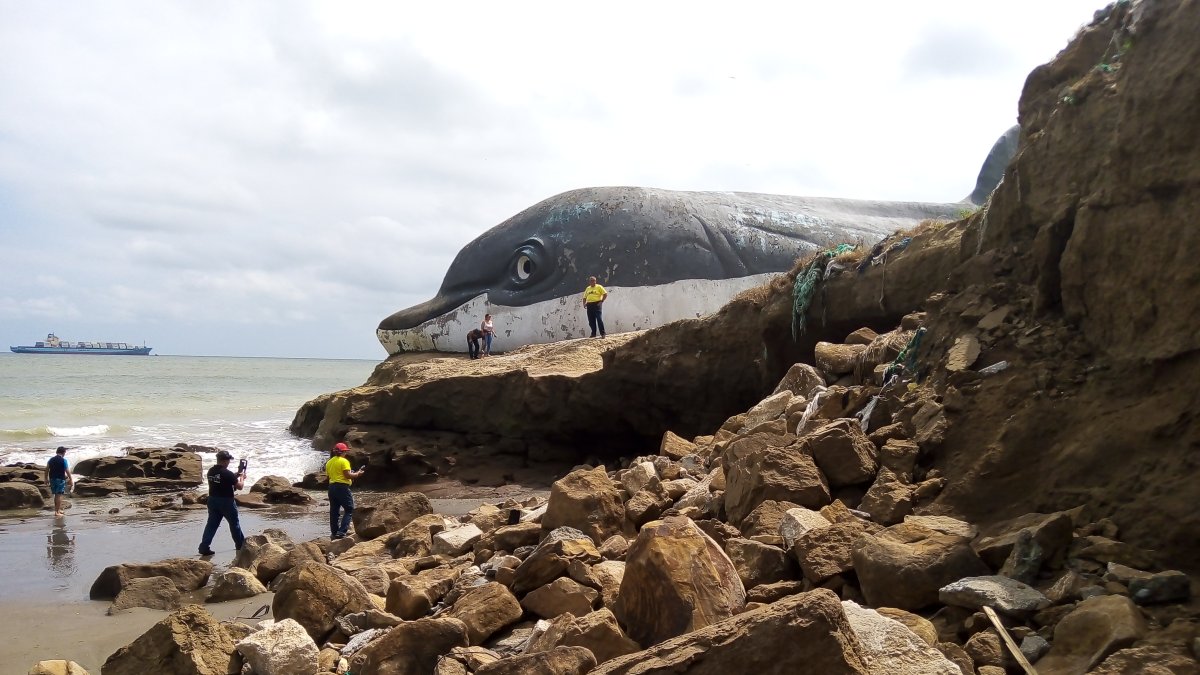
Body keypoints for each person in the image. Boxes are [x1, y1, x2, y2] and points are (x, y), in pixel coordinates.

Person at [198, 449, 245, 556]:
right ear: (225, 461)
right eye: (228, 461)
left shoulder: (211, 471)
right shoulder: (227, 473)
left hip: (212, 500)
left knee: (211, 525)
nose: (228, 463)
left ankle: (204, 547)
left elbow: (223, 479)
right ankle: (240, 545)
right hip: (226, 502)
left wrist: (236, 475)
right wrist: (242, 477)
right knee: (234, 524)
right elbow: (240, 486)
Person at [326, 442, 365, 540]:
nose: (346, 453)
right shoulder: (344, 461)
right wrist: (357, 474)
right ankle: (342, 532)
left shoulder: (329, 462)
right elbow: (347, 475)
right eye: (345, 451)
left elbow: (329, 476)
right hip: (342, 487)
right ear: (343, 452)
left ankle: (334, 532)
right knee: (349, 509)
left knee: (334, 511)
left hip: (331, 487)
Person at [44, 446, 74, 517]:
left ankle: (57, 510)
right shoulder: (63, 460)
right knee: (59, 495)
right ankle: (57, 512)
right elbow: (67, 470)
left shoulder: (51, 460)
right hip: (60, 479)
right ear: (63, 453)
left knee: (56, 495)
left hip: (52, 479)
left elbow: (47, 469)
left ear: (56, 452)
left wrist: (46, 478)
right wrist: (71, 479)